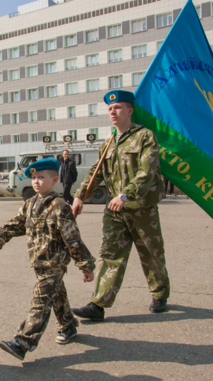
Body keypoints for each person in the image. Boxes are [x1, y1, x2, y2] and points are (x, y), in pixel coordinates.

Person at [0, 158, 95, 360]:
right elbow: (14, 225)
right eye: (33, 177)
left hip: (54, 265)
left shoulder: (60, 206)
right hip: (39, 263)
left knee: (41, 301)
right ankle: (68, 325)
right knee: (57, 294)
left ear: (55, 180)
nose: (36, 181)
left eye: (41, 177)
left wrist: (85, 266)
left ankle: (23, 342)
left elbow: (73, 239)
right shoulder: (30, 204)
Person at [71, 90, 169, 321]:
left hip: (142, 207)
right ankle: (98, 304)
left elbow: (148, 170)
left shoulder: (144, 136)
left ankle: (160, 293)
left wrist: (126, 194)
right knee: (110, 255)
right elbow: (96, 173)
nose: (112, 112)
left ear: (130, 110)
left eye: (117, 108)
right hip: (114, 211)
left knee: (151, 254)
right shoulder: (108, 143)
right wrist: (79, 196)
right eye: (109, 109)